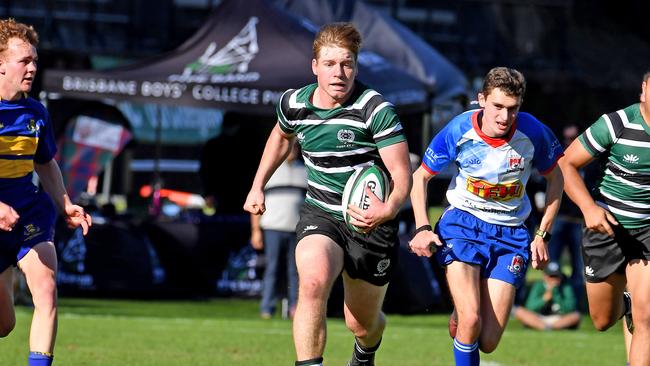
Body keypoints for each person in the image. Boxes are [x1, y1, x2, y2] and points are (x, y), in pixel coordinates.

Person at [243, 22, 412, 366]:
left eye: (347, 64)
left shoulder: (375, 109)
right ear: (315, 66)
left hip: (371, 223)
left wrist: (388, 208)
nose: (339, 72)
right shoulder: (294, 103)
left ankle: (365, 353)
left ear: (356, 67)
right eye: (331, 64)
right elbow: (280, 137)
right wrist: (257, 184)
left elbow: (401, 174)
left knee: (361, 323)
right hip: (322, 213)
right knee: (313, 281)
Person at [409, 67, 564, 366]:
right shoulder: (458, 129)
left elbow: (556, 180)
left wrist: (542, 234)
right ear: (482, 100)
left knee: (488, 341)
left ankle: (463, 309)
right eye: (498, 107)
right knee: (470, 319)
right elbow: (420, 179)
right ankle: (464, 310)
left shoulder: (533, 132)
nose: (505, 117)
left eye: (513, 109)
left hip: (511, 234)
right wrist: (422, 227)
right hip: (462, 226)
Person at [0, 18, 92, 366]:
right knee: (4, 325)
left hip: (30, 213)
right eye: (25, 60)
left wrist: (65, 203)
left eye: (35, 60)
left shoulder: (36, 113)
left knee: (47, 289)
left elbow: (45, 163)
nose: (33, 67)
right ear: (1, 64)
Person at [558, 71, 650, 366]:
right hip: (606, 228)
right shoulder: (617, 123)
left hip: (647, 231)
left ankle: (637, 306)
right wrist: (589, 209)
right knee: (602, 319)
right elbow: (566, 165)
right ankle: (626, 303)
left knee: (647, 314)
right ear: (644, 89)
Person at [250, 141, 306, 319]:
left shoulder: (305, 171)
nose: (293, 151)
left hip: (297, 229)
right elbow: (255, 201)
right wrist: (255, 231)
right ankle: (267, 308)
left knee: (296, 271)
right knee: (272, 268)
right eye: (290, 147)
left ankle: (295, 308)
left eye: (296, 148)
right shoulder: (270, 171)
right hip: (272, 227)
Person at [513, 262, 581, 331]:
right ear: (545, 276)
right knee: (519, 311)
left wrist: (556, 295)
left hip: (559, 318)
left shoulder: (566, 287)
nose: (553, 280)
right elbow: (530, 307)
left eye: (556, 277)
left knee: (576, 316)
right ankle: (544, 327)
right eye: (551, 276)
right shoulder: (538, 285)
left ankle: (550, 327)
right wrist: (544, 299)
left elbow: (569, 309)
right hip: (539, 318)